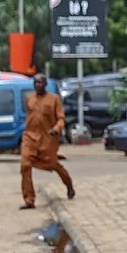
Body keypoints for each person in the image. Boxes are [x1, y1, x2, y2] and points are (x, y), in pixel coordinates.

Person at [20, 74, 75, 210]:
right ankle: (29, 199)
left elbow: (61, 118)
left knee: (53, 164)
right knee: (25, 165)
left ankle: (69, 184)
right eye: (35, 83)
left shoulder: (54, 99)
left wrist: (56, 129)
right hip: (30, 137)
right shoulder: (29, 99)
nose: (37, 85)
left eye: (40, 83)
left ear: (45, 84)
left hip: (47, 139)